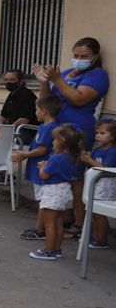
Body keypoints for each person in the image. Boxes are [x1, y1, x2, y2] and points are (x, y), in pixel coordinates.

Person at [34, 38, 109, 238]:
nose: (78, 59)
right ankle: (62, 218)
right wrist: (45, 83)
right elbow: (47, 100)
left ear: (94, 56)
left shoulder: (97, 75)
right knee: (58, 177)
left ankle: (78, 224)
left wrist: (57, 80)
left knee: (75, 179)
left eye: (84, 56)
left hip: (77, 131)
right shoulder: (67, 73)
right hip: (57, 131)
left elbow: (78, 98)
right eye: (75, 55)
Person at [30, 125, 82, 260]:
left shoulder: (57, 158)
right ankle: (57, 249)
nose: (52, 142)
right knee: (58, 222)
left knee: (49, 224)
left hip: (53, 192)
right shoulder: (72, 157)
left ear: (62, 140)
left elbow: (44, 175)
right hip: (64, 191)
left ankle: (48, 250)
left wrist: (42, 167)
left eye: (54, 140)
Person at [14, 95, 61, 240]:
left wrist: (25, 154)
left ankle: (40, 229)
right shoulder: (44, 127)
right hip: (38, 168)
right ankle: (40, 227)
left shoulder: (50, 129)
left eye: (36, 109)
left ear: (44, 111)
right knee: (41, 200)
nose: (35, 112)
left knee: (43, 201)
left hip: (43, 169)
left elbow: (42, 150)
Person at [79, 119, 116, 249]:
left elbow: (105, 168)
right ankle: (95, 235)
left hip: (106, 186)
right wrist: (87, 158)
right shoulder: (97, 149)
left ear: (113, 135)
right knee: (93, 212)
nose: (97, 136)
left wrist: (90, 160)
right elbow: (92, 165)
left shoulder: (112, 151)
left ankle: (101, 239)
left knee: (100, 213)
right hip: (95, 183)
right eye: (97, 133)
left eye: (102, 133)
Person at [0, 68, 39, 145]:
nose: (8, 82)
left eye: (12, 80)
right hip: (13, 129)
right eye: (6, 80)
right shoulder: (11, 95)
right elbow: (3, 116)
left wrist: (8, 131)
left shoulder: (27, 95)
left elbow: (24, 120)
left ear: (21, 81)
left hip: (26, 131)